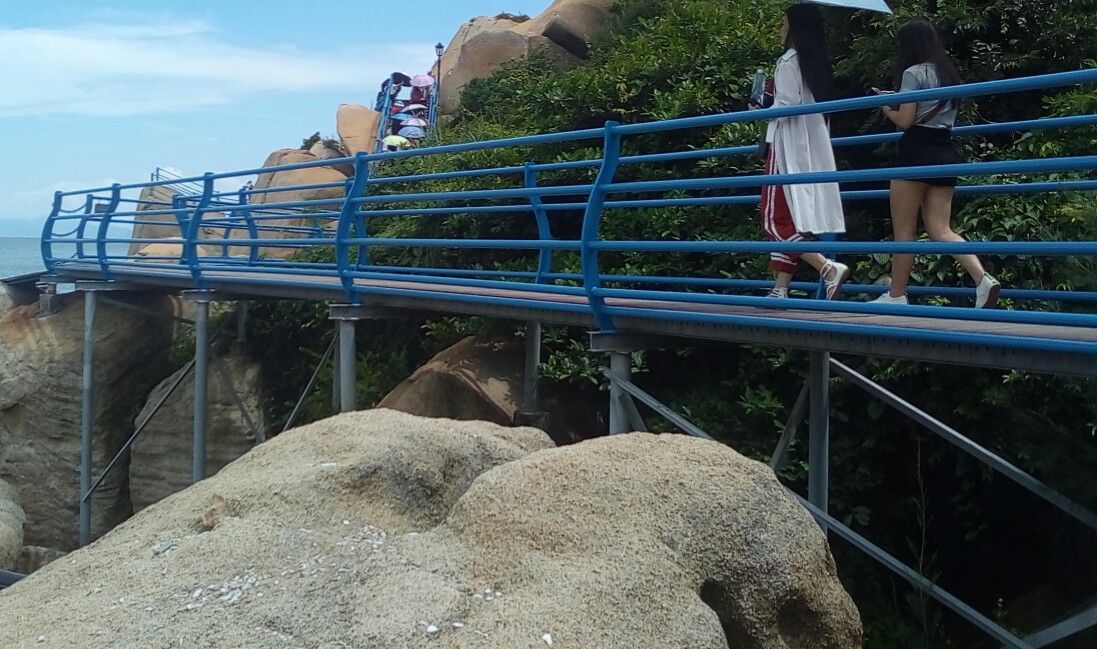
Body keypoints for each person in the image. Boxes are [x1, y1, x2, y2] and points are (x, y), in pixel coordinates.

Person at [873, 17, 999, 308]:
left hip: (915, 152)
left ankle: (897, 295)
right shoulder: (948, 74)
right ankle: (982, 279)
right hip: (944, 151)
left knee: (904, 231)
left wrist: (886, 107)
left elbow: (905, 121)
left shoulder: (913, 73)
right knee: (941, 229)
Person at [757, 3, 848, 300]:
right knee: (793, 219)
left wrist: (761, 110)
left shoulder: (788, 61)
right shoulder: (816, 63)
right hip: (811, 149)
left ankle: (827, 268)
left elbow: (786, 107)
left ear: (795, 28)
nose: (780, 29)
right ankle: (780, 288)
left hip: (785, 147)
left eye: (784, 23)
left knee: (774, 220)